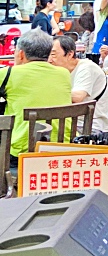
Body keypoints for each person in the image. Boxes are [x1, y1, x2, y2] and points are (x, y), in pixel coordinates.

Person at [5, 29, 73, 159]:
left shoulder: (9, 74)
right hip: (61, 147)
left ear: (21, 54)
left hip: (22, 152)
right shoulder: (64, 73)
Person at [49, 34, 108, 134]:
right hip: (67, 122)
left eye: (53, 54)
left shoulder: (86, 67)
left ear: (70, 54)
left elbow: (77, 97)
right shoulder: (57, 71)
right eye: (47, 55)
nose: (49, 60)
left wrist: (45, 93)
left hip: (89, 126)